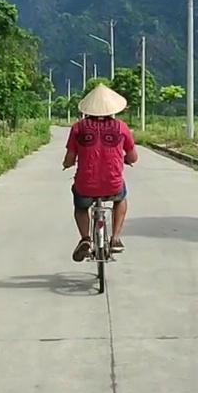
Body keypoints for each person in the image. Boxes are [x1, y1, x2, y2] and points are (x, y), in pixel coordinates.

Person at [62, 84, 137, 261]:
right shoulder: (121, 127)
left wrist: (67, 164)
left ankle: (85, 239)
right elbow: (133, 157)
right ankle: (116, 238)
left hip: (85, 185)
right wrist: (124, 159)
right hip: (113, 185)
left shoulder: (78, 128)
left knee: (81, 207)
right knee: (121, 198)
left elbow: (70, 159)